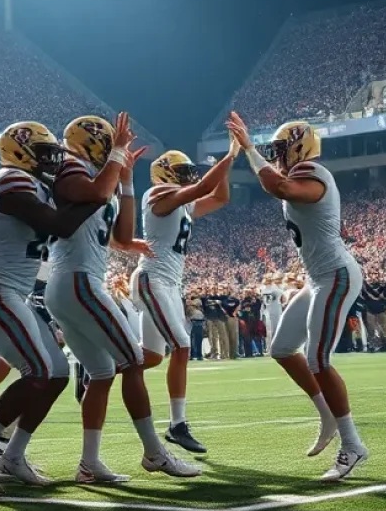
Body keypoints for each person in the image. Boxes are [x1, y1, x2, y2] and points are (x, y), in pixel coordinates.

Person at [45, 113, 201, 483]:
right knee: (132, 360)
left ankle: (88, 463)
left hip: (78, 282)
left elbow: (124, 235)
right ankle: (155, 453)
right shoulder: (71, 168)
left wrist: (127, 181)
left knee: (102, 372)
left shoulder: (97, 177)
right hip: (79, 280)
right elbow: (97, 194)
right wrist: (116, 156)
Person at [0, 121, 106, 491]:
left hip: (13, 294)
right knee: (39, 371)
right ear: (19, 151)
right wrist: (94, 198)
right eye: (43, 152)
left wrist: (92, 193)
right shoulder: (9, 179)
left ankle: (13, 455)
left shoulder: (34, 183)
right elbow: (58, 224)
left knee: (55, 375)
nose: (52, 159)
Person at [228, 112, 367, 481]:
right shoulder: (296, 173)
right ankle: (327, 415)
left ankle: (353, 445)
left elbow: (284, 189)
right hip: (317, 277)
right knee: (281, 348)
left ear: (300, 147)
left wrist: (249, 152)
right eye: (272, 151)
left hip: (336, 274)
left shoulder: (313, 173)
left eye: (279, 149)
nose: (276, 156)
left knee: (318, 359)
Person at [131, 146, 235, 455]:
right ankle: (177, 425)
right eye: (181, 171)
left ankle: (99, 364)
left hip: (169, 285)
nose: (187, 176)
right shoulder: (156, 196)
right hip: (153, 280)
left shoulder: (182, 206)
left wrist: (222, 168)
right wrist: (231, 156)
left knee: (150, 358)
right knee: (182, 345)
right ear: (164, 173)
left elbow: (219, 197)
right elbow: (204, 187)